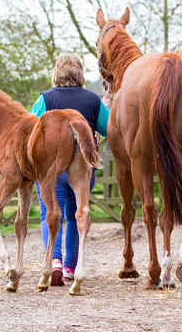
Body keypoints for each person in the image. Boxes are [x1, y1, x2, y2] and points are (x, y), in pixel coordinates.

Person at [30, 54, 111, 286]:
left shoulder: (45, 98)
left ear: (57, 72)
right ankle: (69, 268)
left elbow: (30, 127)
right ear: (79, 73)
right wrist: (104, 108)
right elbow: (107, 128)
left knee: (49, 213)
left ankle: (54, 260)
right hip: (83, 168)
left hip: (51, 168)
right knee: (76, 217)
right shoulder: (92, 100)